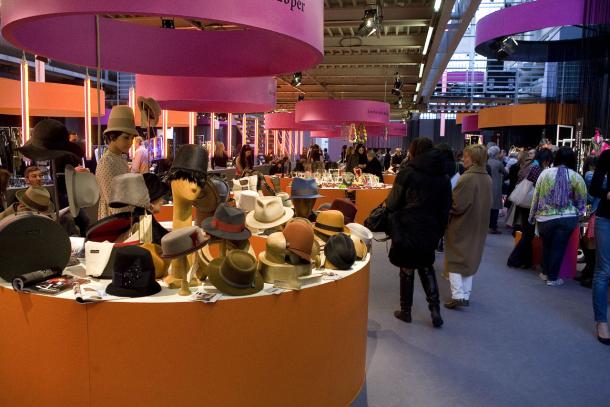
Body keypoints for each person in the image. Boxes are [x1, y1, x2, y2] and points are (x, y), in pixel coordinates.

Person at [386, 138, 451, 328]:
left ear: (414, 151)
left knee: (406, 268)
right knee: (426, 266)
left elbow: (392, 204)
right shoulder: (443, 176)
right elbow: (446, 207)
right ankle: (435, 310)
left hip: (407, 228)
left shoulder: (407, 173)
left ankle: (406, 311)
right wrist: (439, 229)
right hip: (430, 228)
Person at [529, 147, 586, 286]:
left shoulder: (545, 174)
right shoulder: (576, 176)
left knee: (547, 245)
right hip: (566, 218)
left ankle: (545, 272)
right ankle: (552, 278)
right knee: (558, 247)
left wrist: (532, 215)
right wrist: (578, 214)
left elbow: (536, 195)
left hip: (544, 217)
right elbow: (582, 200)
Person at [444, 144, 492, 309]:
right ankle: (465, 294)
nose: (463, 159)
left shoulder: (466, 178)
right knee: (470, 259)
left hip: (462, 224)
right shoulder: (487, 177)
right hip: (479, 224)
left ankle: (457, 295)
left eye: (466, 156)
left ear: (474, 159)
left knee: (455, 259)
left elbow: (457, 205)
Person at [507, 148, 553, 269]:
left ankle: (526, 261)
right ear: (546, 160)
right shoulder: (537, 169)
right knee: (528, 234)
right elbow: (540, 187)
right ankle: (514, 259)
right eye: (548, 161)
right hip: (529, 204)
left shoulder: (531, 165)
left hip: (524, 203)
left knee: (528, 233)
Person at [96, 105, 138, 219]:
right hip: (114, 223)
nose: (130, 142)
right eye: (126, 137)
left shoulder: (121, 159)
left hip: (125, 220)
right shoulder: (106, 162)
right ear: (112, 136)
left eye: (132, 138)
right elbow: (115, 204)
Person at [591, 149, 610, 344]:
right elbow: (594, 188)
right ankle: (601, 321)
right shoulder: (607, 156)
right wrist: (608, 193)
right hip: (607, 218)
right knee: (604, 269)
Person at [487, 146, 507, 234]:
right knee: (495, 208)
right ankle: (493, 227)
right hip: (495, 187)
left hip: (486, 186)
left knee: (487, 207)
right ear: (496, 154)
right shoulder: (498, 163)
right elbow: (505, 173)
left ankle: (486, 225)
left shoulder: (485, 162)